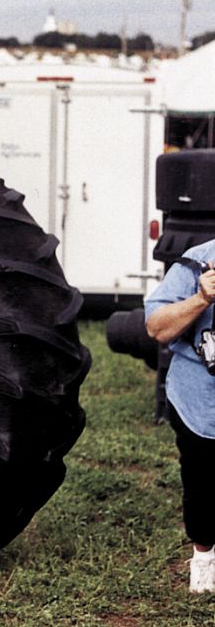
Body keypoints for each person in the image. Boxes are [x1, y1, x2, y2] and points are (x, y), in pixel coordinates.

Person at [145, 238, 215, 593]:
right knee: (203, 485)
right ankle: (204, 559)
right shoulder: (195, 264)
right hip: (201, 402)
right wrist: (201, 299)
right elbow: (156, 327)